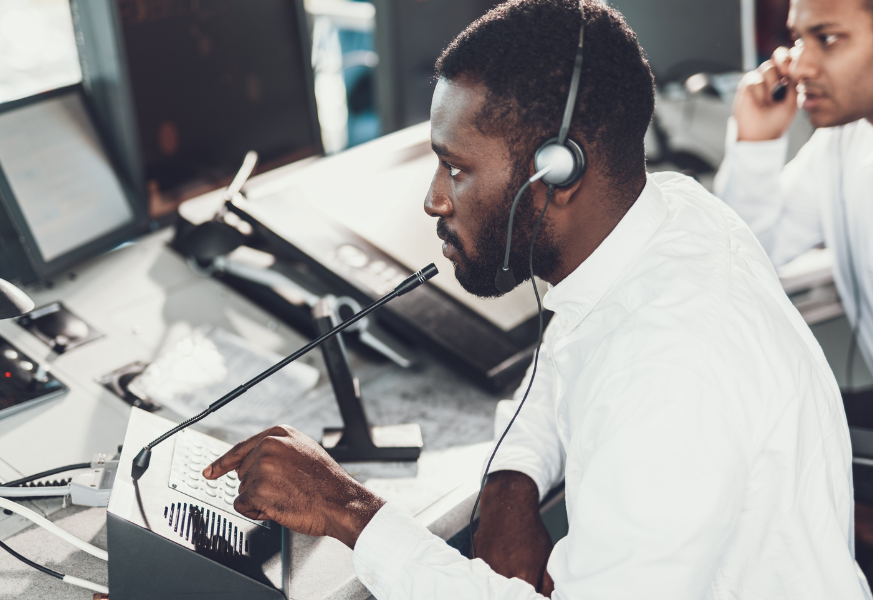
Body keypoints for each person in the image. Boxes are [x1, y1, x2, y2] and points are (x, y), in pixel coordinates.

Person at [203, 0, 868, 597]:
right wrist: (510, 484)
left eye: (456, 167)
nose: (433, 199)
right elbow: (568, 350)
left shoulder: (671, 371)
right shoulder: (671, 216)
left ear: (560, 170)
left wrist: (347, 510)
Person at [714, 0, 873, 388]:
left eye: (828, 38)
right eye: (799, 39)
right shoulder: (841, 140)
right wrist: (756, 143)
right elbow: (747, 254)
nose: (800, 67)